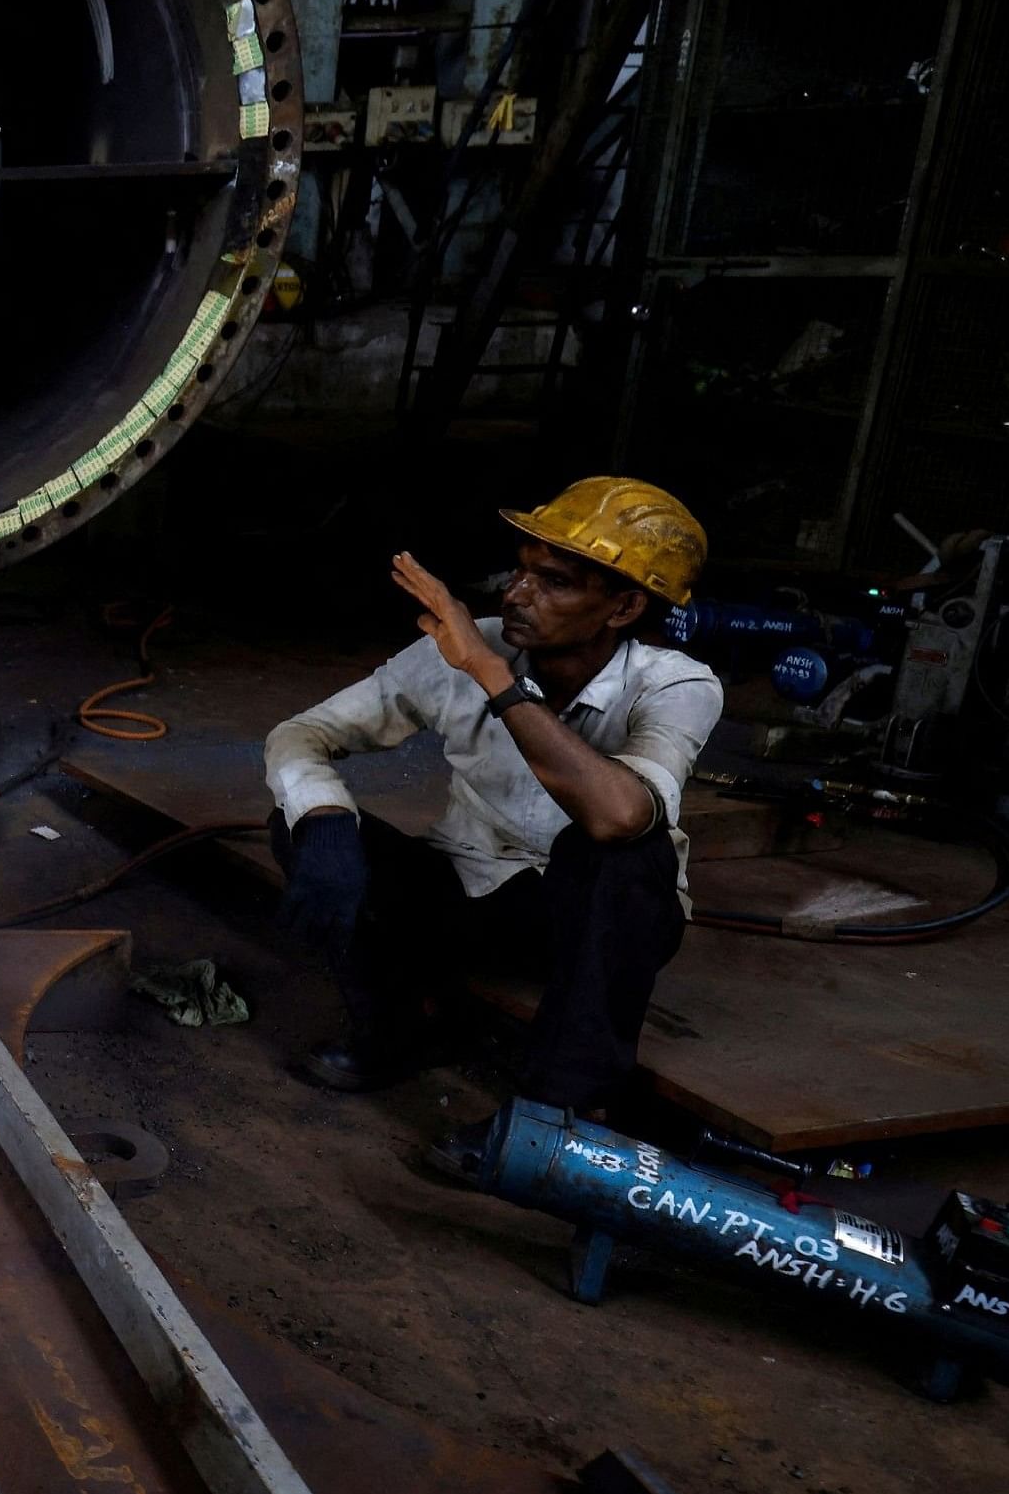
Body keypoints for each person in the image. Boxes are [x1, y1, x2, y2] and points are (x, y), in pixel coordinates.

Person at [263, 477, 721, 1176]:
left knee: (624, 853)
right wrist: (324, 819)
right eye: (522, 569)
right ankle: (395, 1026)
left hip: (595, 918)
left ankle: (551, 1114)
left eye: (555, 581)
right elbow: (305, 732)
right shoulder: (459, 647)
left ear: (624, 605)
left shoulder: (677, 685)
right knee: (302, 823)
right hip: (472, 894)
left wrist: (488, 672)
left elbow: (622, 813)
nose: (515, 593)